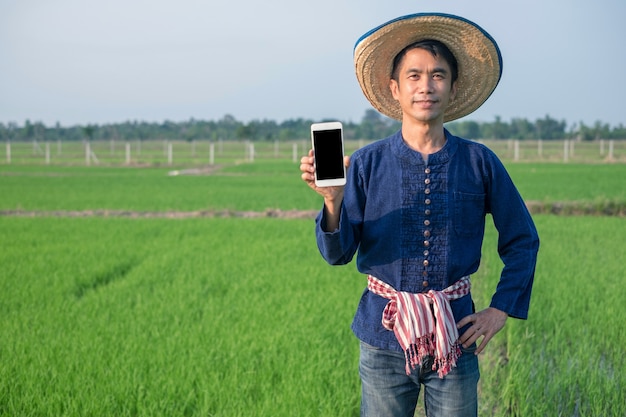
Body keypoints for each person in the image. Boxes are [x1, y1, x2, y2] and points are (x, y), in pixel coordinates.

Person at [299, 12, 539, 417]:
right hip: (383, 339)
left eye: (438, 75)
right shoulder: (366, 164)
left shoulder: (479, 162)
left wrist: (501, 308)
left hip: (456, 337)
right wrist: (332, 201)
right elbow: (337, 254)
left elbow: (522, 239)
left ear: (453, 86)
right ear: (395, 88)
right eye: (414, 76)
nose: (426, 86)